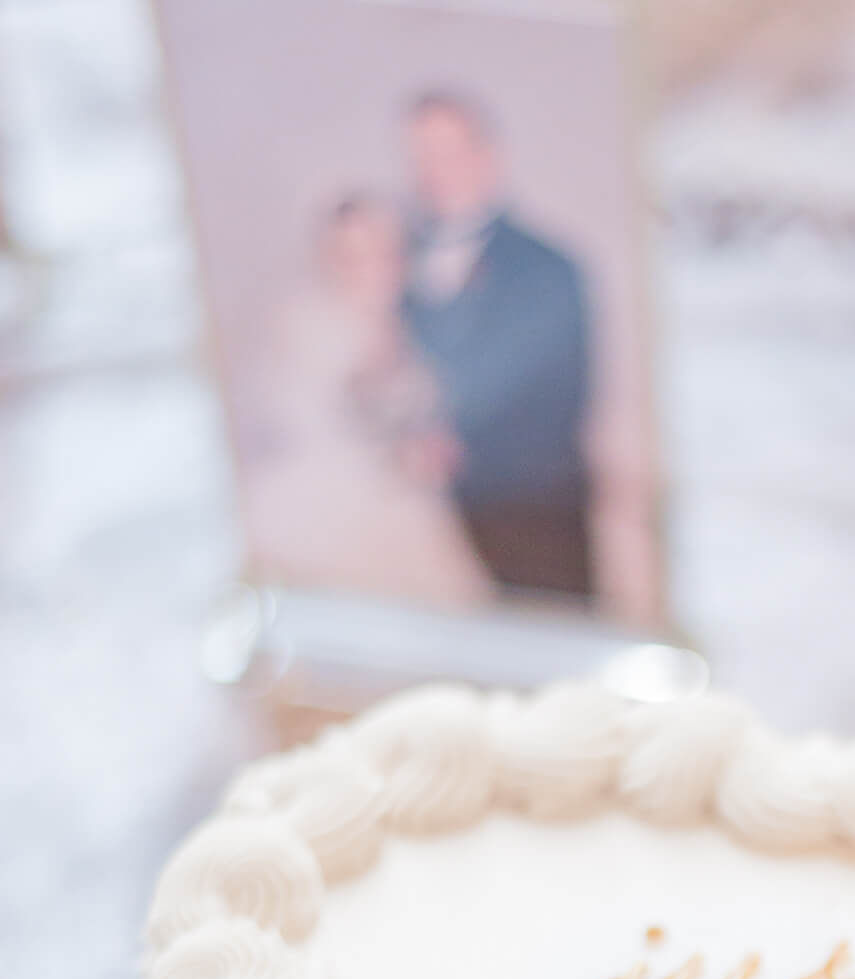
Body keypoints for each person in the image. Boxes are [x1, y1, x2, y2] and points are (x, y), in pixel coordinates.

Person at [244, 194, 491, 607]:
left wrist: (434, 449)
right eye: (351, 256)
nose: (371, 268)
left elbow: (432, 411)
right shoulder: (305, 326)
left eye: (383, 252)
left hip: (411, 510)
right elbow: (307, 423)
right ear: (329, 259)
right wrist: (392, 457)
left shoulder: (416, 327)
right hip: (329, 505)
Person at [400, 90, 594, 598]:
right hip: (417, 516)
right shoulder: (390, 258)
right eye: (423, 154)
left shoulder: (548, 268)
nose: (436, 169)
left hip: (530, 507)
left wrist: (454, 446)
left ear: (489, 155)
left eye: (450, 151)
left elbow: (557, 400)